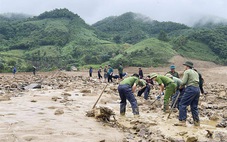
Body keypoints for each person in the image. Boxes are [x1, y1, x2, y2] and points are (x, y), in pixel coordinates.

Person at [174, 61, 200, 127]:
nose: (184, 67)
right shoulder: (195, 72)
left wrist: (180, 87)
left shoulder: (187, 71)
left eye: (185, 66)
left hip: (190, 88)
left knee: (182, 104)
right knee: (194, 106)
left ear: (187, 66)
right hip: (197, 89)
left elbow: (183, 82)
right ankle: (197, 122)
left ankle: (182, 121)